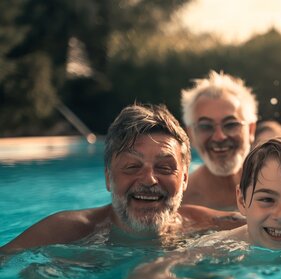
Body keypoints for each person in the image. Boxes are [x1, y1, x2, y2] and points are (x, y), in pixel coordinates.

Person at [0, 103, 245, 253]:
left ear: (184, 180)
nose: (149, 179)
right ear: (108, 178)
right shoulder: (65, 233)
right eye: (131, 166)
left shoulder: (214, 226)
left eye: (164, 167)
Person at [180, 70, 258, 211]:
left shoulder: (278, 187)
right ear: (190, 134)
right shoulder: (182, 202)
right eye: (205, 126)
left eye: (231, 124)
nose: (219, 136)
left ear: (251, 130)